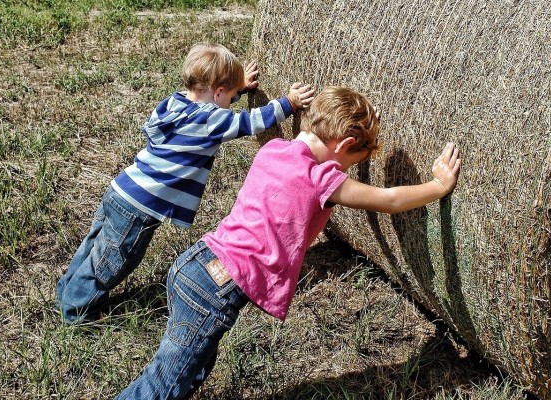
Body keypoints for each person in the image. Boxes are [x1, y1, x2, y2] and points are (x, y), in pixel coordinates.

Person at [115, 86, 462, 399]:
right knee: (163, 381)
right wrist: (437, 186)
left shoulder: (275, 149)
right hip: (216, 289)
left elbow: (308, 182)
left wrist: (357, 136)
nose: (347, 170)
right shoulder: (320, 177)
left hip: (195, 264)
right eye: (353, 160)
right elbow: (388, 200)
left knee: (190, 367)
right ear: (342, 146)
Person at [56, 42, 315, 324]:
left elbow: (212, 107)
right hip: (140, 207)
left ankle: (67, 291)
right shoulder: (210, 120)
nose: (231, 102)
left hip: (122, 189)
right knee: (112, 260)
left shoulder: (175, 101)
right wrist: (288, 103)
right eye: (229, 96)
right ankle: (77, 313)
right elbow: (250, 122)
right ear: (217, 93)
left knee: (94, 245)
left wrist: (237, 88)